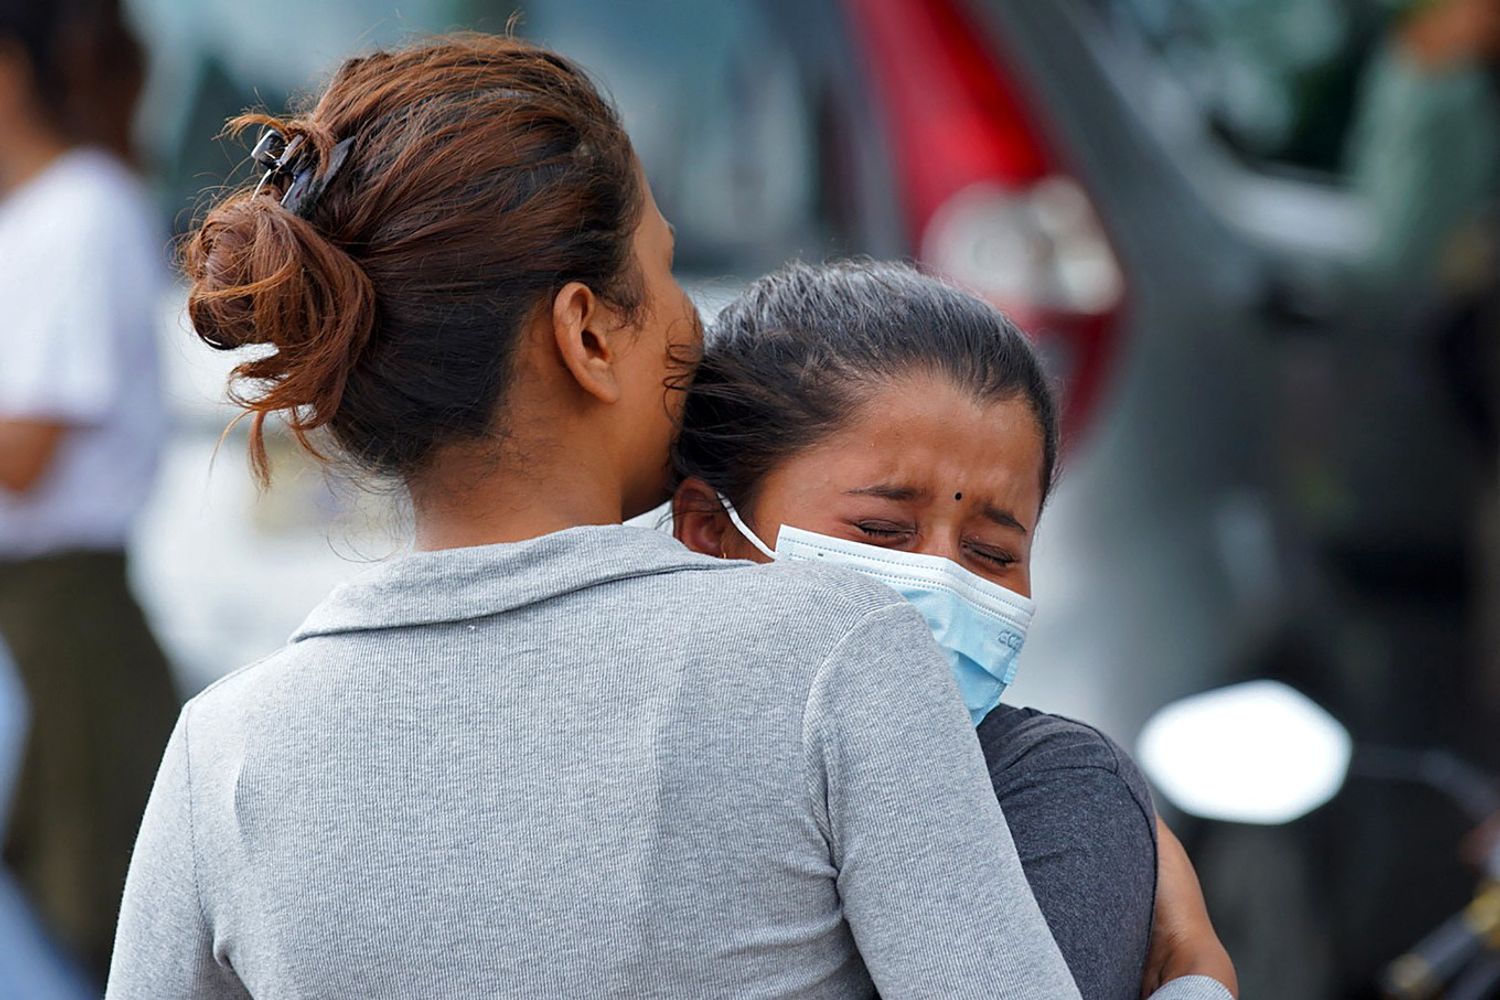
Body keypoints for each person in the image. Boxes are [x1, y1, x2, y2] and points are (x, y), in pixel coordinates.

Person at [106, 33, 1234, 999]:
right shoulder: (833, 653)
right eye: (667, 269)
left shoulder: (222, 750)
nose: (697, 325)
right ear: (590, 335)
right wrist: (1188, 967)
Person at [669, 259, 1233, 1000]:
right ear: (710, 531)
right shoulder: (590, 751)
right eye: (881, 529)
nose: (941, 580)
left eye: (992, 553)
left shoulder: (1045, 794)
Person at [0, 0, 178, 981]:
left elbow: (26, 450)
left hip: (67, 611)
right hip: (31, 610)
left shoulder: (85, 209)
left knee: (94, 911)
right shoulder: (32, 220)